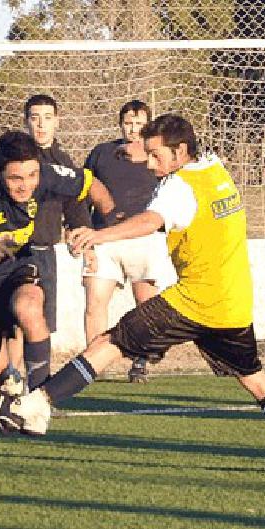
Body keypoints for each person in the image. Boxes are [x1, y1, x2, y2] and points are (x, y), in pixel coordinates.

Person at [0, 114, 265, 476]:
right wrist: (141, 148)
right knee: (255, 379)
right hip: (233, 305)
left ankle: (36, 403)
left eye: (157, 155)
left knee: (111, 342)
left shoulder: (178, 188)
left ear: (180, 152)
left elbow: (149, 221)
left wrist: (99, 235)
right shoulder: (214, 168)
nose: (151, 163)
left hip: (192, 302)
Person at [0, 129, 102, 436]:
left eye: (31, 175)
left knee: (29, 307)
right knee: (1, 377)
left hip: (13, 269)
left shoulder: (46, 173)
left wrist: (110, 222)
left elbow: (90, 184)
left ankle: (38, 403)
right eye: (15, 178)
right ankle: (0, 390)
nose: (26, 185)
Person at [7, 94, 115, 392]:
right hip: (14, 253)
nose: (41, 124)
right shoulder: (13, 160)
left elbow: (75, 207)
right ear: (25, 121)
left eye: (47, 117)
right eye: (34, 117)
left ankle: (34, 391)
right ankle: (12, 384)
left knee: (39, 324)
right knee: (16, 320)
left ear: (57, 121)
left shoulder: (63, 162)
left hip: (45, 253)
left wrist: (85, 243)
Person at [82, 100, 176, 383]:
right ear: (120, 124)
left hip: (143, 238)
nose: (133, 130)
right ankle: (90, 366)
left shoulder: (157, 157)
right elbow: (84, 192)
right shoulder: (101, 154)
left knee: (144, 304)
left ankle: (140, 361)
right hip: (104, 239)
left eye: (139, 124)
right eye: (128, 123)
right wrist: (84, 233)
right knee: (95, 301)